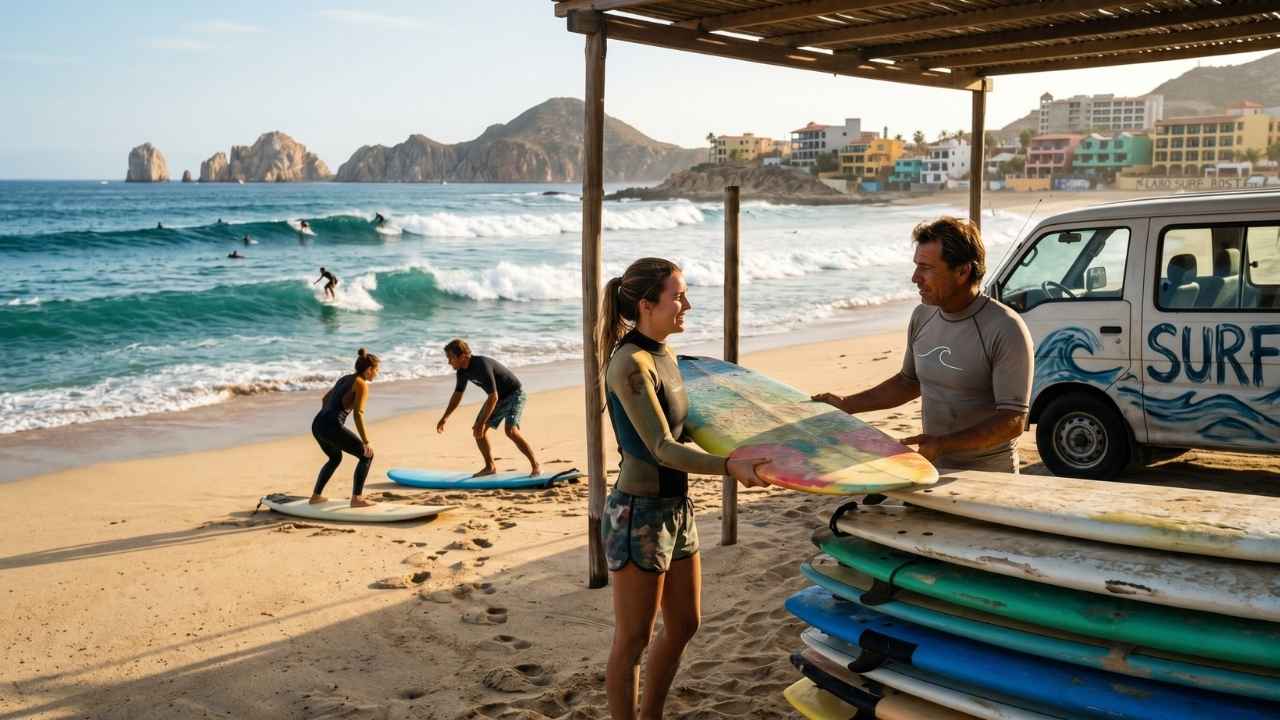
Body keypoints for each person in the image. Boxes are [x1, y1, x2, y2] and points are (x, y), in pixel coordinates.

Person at [597, 257, 771, 720]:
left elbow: (684, 430)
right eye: (678, 296)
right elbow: (660, 447)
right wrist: (731, 466)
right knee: (632, 638)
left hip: (677, 508)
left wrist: (751, 434)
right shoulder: (628, 363)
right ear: (646, 303)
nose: (687, 305)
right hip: (639, 514)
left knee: (684, 623)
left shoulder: (665, 355)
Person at [812, 216, 1034, 473]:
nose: (915, 277)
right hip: (931, 465)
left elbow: (1013, 419)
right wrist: (847, 404)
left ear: (963, 271)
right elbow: (909, 382)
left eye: (926, 268)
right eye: (916, 266)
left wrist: (944, 444)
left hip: (988, 474)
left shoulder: (1005, 328)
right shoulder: (923, 315)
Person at [436, 340, 539, 477]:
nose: (449, 362)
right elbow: (458, 394)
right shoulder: (461, 371)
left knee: (510, 431)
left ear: (463, 356)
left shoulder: (481, 365)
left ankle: (535, 465)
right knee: (478, 431)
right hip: (497, 398)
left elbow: (493, 396)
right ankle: (490, 466)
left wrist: (482, 422)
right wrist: (445, 417)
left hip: (514, 394)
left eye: (451, 358)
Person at [311, 348, 380, 507]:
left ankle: (316, 496)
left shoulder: (345, 378)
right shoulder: (361, 384)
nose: (377, 373)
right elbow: (358, 414)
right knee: (366, 455)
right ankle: (357, 499)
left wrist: (330, 418)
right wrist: (366, 442)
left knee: (335, 458)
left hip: (317, 423)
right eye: (376, 370)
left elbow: (325, 399)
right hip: (331, 426)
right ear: (369, 370)